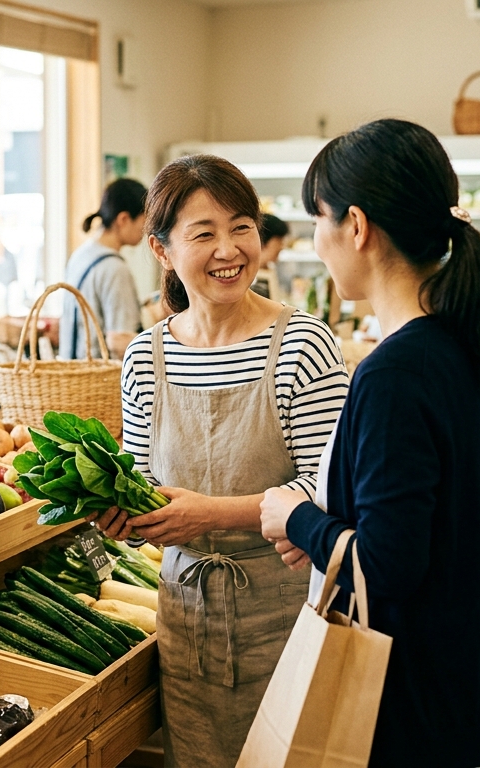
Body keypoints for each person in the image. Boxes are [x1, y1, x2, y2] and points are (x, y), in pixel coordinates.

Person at [256, 119, 480, 767]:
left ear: (356, 225)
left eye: (317, 220)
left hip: (410, 709)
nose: (315, 241)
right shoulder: (469, 345)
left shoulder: (395, 374)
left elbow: (388, 564)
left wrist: (297, 517)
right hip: (471, 690)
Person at [92, 155, 349, 768]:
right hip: (186, 620)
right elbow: (142, 480)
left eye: (241, 228)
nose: (228, 250)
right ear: (161, 250)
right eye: (203, 233)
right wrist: (125, 516)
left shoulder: (303, 342)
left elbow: (332, 488)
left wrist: (210, 515)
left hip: (289, 609)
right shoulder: (145, 357)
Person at [60, 178, 147, 360]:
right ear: (123, 219)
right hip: (99, 374)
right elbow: (119, 342)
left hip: (72, 368)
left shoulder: (81, 254)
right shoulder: (114, 268)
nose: (146, 230)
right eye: (144, 221)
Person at [250, 213, 289, 299]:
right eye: (279, 240)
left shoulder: (269, 269)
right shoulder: (252, 279)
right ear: (262, 241)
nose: (282, 246)